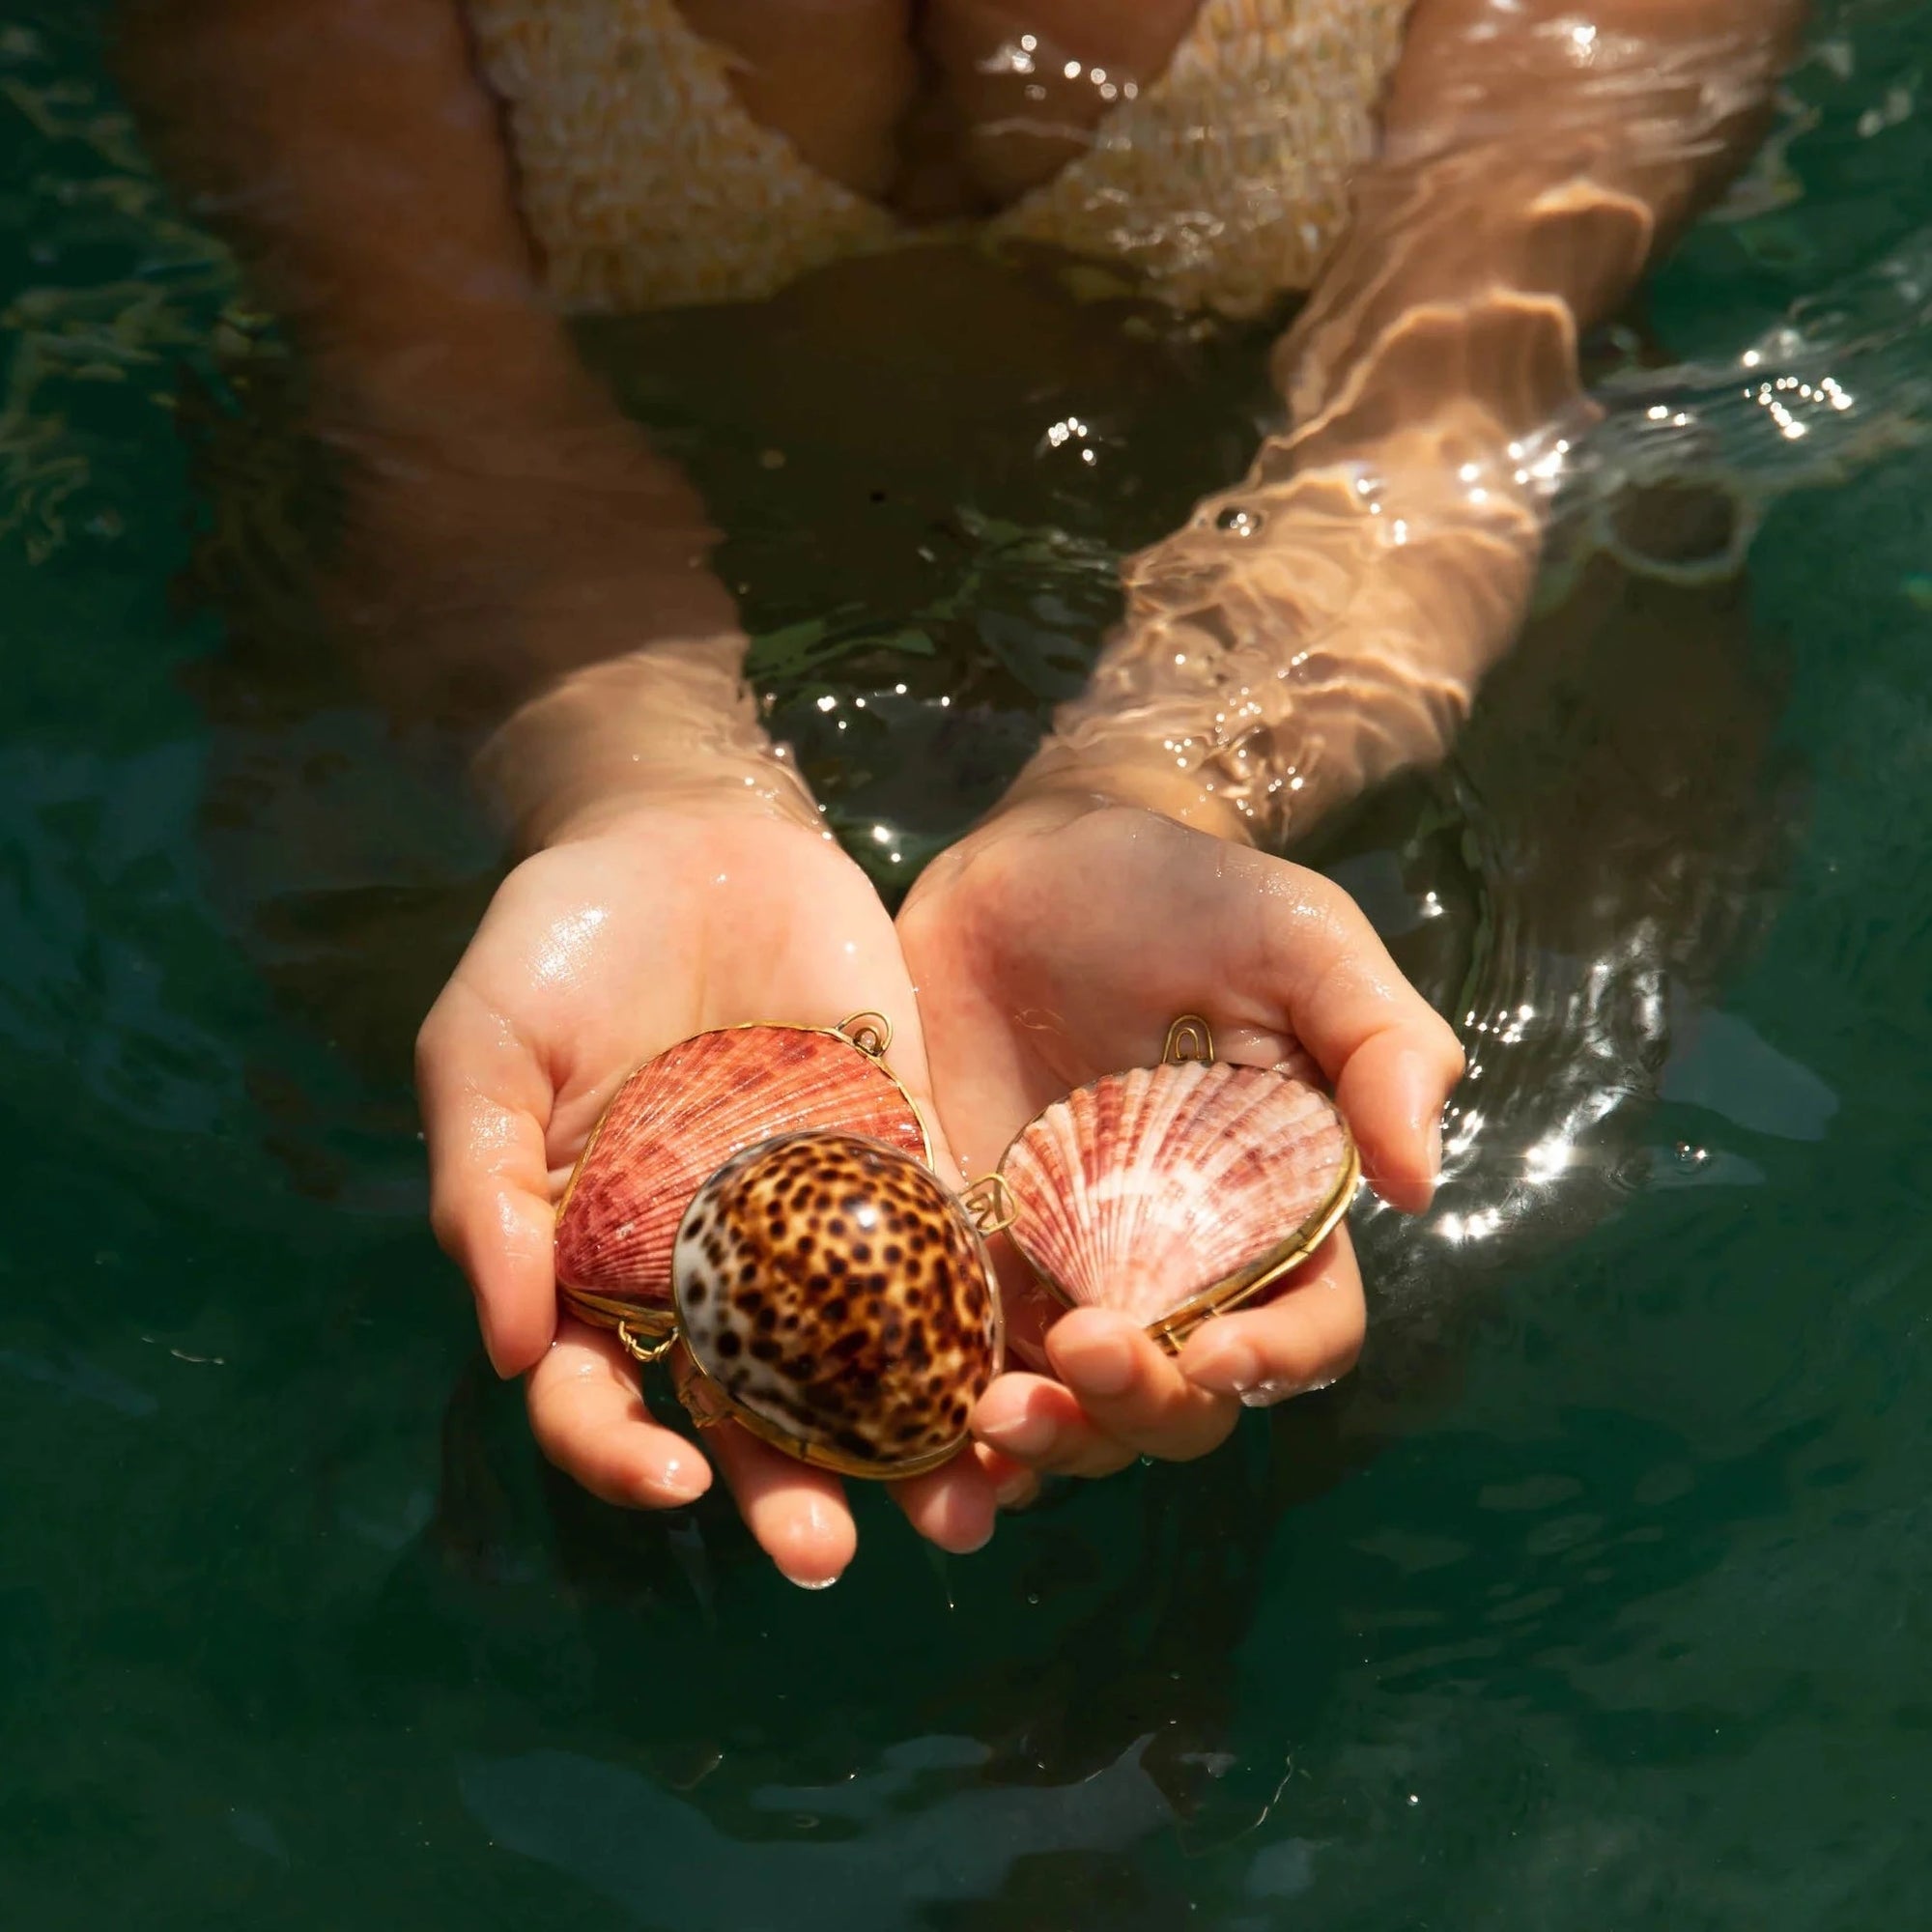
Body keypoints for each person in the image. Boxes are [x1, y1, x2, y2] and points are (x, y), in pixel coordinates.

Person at [123, 0, 1805, 1587]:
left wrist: (1160, 771)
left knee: (1356, 1419)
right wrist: (641, 773)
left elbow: (1446, 412)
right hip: (525, 637)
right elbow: (450, 417)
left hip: (1360, 646)